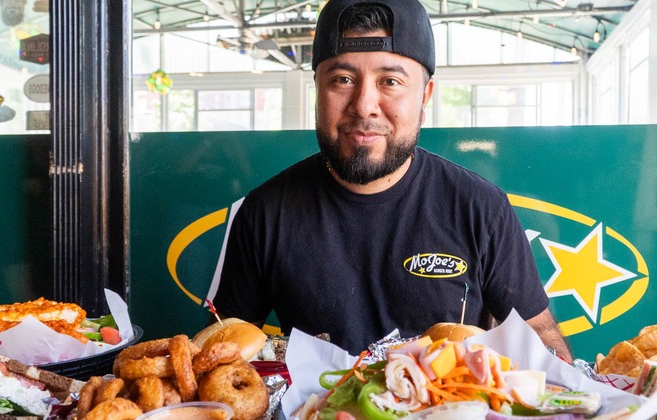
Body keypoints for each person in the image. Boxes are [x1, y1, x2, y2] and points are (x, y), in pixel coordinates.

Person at [213, 0, 572, 362]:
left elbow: (541, 336)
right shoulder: (264, 212)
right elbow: (225, 353)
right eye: (343, 79)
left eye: (390, 81)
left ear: (425, 96)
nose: (364, 105)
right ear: (318, 92)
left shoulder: (481, 207)